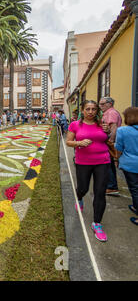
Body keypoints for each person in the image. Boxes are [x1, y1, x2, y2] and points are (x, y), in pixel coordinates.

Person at [66, 100, 110, 242]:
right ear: (82, 110)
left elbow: (106, 140)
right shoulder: (75, 125)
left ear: (97, 111)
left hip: (103, 161)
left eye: (93, 109)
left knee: (100, 192)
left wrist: (108, 132)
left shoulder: (102, 125)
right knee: (83, 188)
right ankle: (79, 198)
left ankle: (97, 223)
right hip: (83, 162)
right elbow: (68, 142)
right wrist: (79, 143)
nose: (91, 112)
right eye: (88, 109)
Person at [114, 107, 138, 226]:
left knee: (134, 189)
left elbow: (119, 148)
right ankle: (134, 206)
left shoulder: (123, 131)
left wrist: (116, 159)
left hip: (131, 164)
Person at [99, 97, 122, 197]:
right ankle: (111, 185)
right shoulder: (109, 112)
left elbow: (113, 128)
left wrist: (110, 141)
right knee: (109, 164)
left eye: (103, 104)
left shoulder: (111, 113)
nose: (100, 106)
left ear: (110, 104)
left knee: (108, 164)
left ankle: (112, 187)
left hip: (109, 141)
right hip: (109, 141)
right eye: (100, 104)